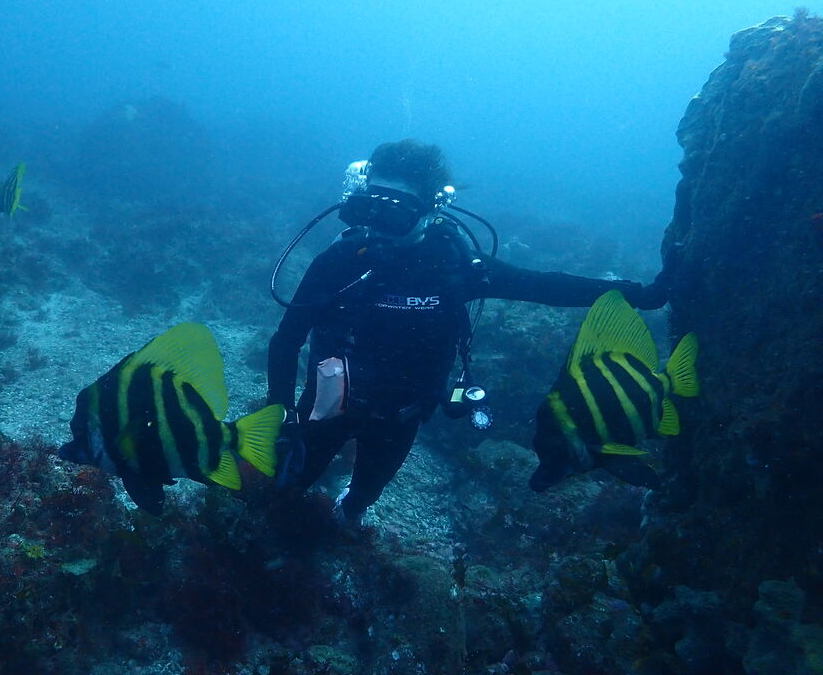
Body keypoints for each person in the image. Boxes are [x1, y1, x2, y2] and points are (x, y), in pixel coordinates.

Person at [266, 139, 669, 528]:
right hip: (326, 405)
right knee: (279, 493)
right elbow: (287, 340)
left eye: (396, 213)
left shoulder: (455, 266)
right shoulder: (340, 261)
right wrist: (282, 413)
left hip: (401, 417)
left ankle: (349, 508)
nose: (378, 225)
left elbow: (543, 286)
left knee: (360, 499)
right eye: (370, 208)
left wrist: (640, 294)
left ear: (430, 209)